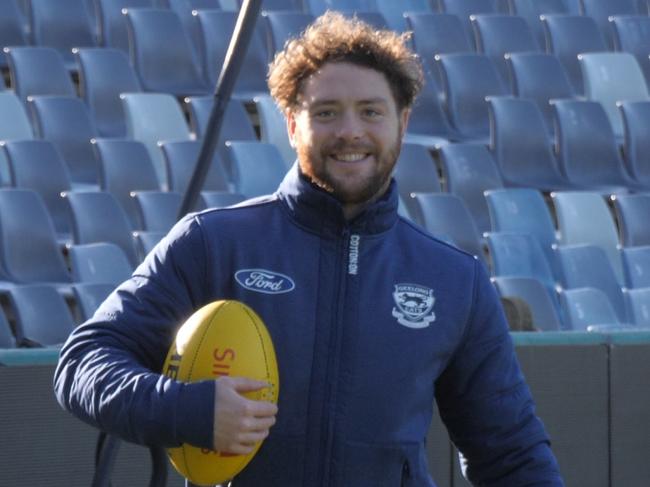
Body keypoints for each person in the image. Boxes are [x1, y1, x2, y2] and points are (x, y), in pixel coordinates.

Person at [54, 12, 564, 486]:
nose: (350, 131)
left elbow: (511, 453)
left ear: (402, 124)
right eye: (326, 112)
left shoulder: (453, 279)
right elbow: (83, 362)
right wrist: (187, 409)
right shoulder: (211, 242)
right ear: (292, 123)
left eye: (371, 111)